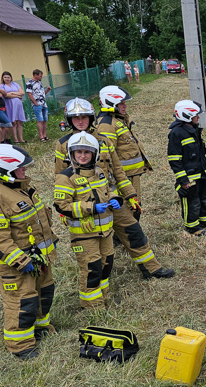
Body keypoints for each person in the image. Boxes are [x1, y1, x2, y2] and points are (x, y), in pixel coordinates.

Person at [56, 98, 174, 280]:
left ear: (91, 118)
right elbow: (60, 177)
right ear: (69, 119)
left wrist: (130, 195)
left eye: (84, 117)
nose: (80, 121)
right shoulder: (63, 144)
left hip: (109, 197)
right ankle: (97, 286)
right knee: (93, 250)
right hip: (85, 206)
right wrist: (64, 212)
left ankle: (152, 269)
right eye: (75, 117)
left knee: (133, 231)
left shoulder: (103, 140)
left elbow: (118, 170)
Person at [0, 144, 57, 359]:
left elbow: (40, 221)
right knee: (22, 302)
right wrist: (22, 261)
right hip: (16, 266)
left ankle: (40, 328)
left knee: (44, 294)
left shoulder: (22, 188)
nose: (25, 170)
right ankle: (20, 345)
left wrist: (52, 243)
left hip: (39, 259)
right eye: (20, 167)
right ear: (3, 168)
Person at [54, 132, 120, 308]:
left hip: (105, 231)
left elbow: (107, 190)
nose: (82, 156)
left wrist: (115, 198)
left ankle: (104, 297)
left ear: (94, 154)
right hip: (84, 234)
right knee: (91, 268)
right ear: (71, 154)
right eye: (78, 152)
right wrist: (90, 208)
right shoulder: (65, 177)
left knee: (106, 263)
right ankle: (92, 306)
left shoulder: (99, 172)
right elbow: (62, 206)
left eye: (87, 152)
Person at [168, 100, 206, 233]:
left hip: (200, 173)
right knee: (192, 202)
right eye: (196, 115)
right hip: (189, 177)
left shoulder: (194, 130)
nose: (198, 117)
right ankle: (192, 227)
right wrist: (183, 179)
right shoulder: (176, 133)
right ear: (187, 116)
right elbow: (174, 159)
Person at [95, 86, 153, 204]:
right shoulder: (107, 125)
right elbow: (108, 157)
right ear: (110, 103)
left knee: (136, 207)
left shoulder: (119, 119)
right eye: (121, 103)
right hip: (123, 178)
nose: (125, 105)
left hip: (131, 175)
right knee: (130, 210)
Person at [0, 71, 26, 144]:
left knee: (20, 122)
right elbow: (6, 95)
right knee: (13, 122)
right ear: (2, 78)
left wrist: (11, 93)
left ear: (11, 78)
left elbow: (22, 93)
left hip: (19, 106)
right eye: (5, 77)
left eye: (8, 77)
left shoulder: (15, 84)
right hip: (10, 106)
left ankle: (21, 138)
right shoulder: (1, 86)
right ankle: (15, 139)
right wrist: (17, 95)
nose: (7, 79)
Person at [25, 69, 51, 142]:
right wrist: (35, 103)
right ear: (35, 75)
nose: (41, 77)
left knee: (45, 120)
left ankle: (45, 135)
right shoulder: (29, 83)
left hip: (44, 103)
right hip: (37, 104)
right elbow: (29, 94)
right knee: (40, 120)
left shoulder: (39, 83)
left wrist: (47, 90)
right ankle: (41, 136)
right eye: (40, 75)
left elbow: (42, 94)